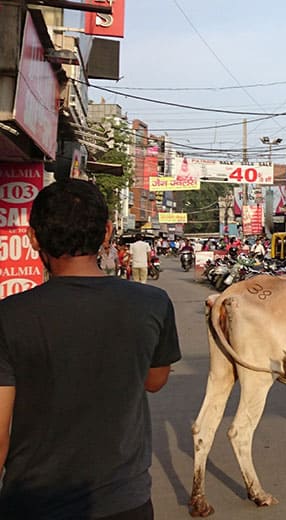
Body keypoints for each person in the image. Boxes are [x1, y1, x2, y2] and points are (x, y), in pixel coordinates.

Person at [0, 179, 181, 519]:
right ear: (107, 233)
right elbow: (155, 380)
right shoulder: (152, 303)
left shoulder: (8, 317)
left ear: (34, 236)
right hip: (123, 503)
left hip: (30, 502)